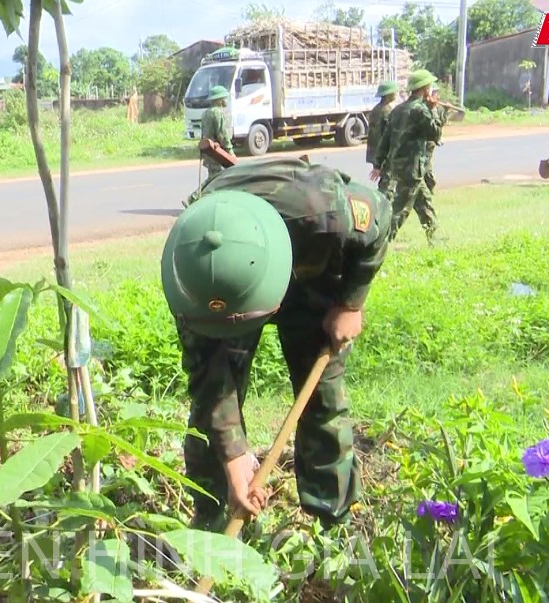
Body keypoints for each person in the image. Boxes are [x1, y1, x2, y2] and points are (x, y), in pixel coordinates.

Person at [160, 155, 392, 532]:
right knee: (210, 416)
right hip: (232, 278)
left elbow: (380, 220)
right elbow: (211, 382)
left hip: (309, 264)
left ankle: (330, 521)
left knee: (322, 396)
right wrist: (234, 456)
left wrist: (350, 302)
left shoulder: (327, 212)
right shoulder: (193, 271)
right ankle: (213, 516)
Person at [372, 69, 444, 244]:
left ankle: (435, 238)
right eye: (430, 85)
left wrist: (378, 163)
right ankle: (381, 243)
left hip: (398, 165)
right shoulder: (420, 110)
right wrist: (433, 109)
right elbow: (435, 133)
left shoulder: (397, 110)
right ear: (425, 88)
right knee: (401, 209)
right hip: (412, 167)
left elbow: (385, 140)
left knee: (424, 202)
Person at [366, 80, 398, 202]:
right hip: (385, 153)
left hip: (376, 151)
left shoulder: (376, 110)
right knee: (387, 184)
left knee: (385, 180)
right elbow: (390, 135)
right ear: (389, 94)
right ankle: (383, 206)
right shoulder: (388, 112)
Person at [200, 85, 234, 183]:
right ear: (219, 100)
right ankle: (195, 196)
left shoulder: (206, 113)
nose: (226, 100)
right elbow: (222, 135)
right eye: (224, 98)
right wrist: (230, 152)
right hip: (217, 153)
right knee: (217, 180)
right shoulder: (218, 113)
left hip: (208, 151)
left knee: (213, 177)